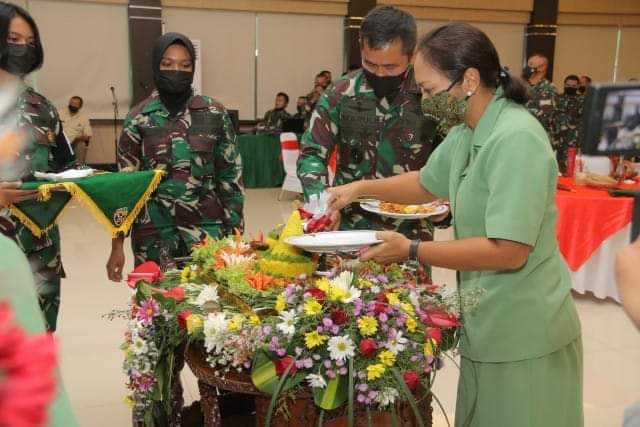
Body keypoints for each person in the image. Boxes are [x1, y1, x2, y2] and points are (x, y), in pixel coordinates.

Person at [328, 23, 582, 427]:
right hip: (488, 320)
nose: (425, 102)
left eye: (429, 91)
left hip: (526, 330)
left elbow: (509, 250)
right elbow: (426, 182)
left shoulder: (515, 138)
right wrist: (359, 187)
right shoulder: (469, 130)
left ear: (468, 80)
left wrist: (412, 250)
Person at [107, 32, 244, 279]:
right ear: (156, 66)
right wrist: (117, 244)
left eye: (185, 65)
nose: (176, 71)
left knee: (208, 309)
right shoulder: (138, 118)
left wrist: (236, 237)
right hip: (153, 235)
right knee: (155, 308)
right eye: (167, 64)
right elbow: (124, 188)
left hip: (206, 233)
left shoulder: (215, 112)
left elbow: (231, 177)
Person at [297, 5, 440, 242]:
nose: (381, 74)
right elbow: (312, 153)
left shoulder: (432, 95)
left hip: (411, 232)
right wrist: (322, 204)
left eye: (391, 66)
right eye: (370, 64)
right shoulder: (341, 93)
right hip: (349, 229)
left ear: (412, 54)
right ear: (361, 48)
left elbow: (454, 160)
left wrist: (444, 209)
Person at [0, 2, 74, 332]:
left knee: (37, 345)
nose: (23, 49)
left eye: (30, 42)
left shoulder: (43, 108)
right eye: (14, 38)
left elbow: (68, 168)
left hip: (40, 253)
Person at [553, 74, 584, 173]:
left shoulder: (583, 100)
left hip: (573, 138)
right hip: (559, 137)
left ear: (578, 87)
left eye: (573, 86)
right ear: (564, 84)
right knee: (557, 165)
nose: (570, 87)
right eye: (568, 85)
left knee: (571, 166)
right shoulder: (557, 98)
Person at [523, 53, 556, 138]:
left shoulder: (548, 88)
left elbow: (546, 115)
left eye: (531, 64)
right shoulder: (521, 84)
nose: (527, 67)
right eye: (528, 64)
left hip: (536, 134)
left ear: (542, 68)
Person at [59, 95, 92, 163]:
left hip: (73, 142)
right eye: (71, 103)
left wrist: (77, 138)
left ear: (80, 106)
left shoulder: (84, 117)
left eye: (75, 104)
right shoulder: (60, 113)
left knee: (75, 146)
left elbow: (88, 136)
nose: (72, 105)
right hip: (59, 140)